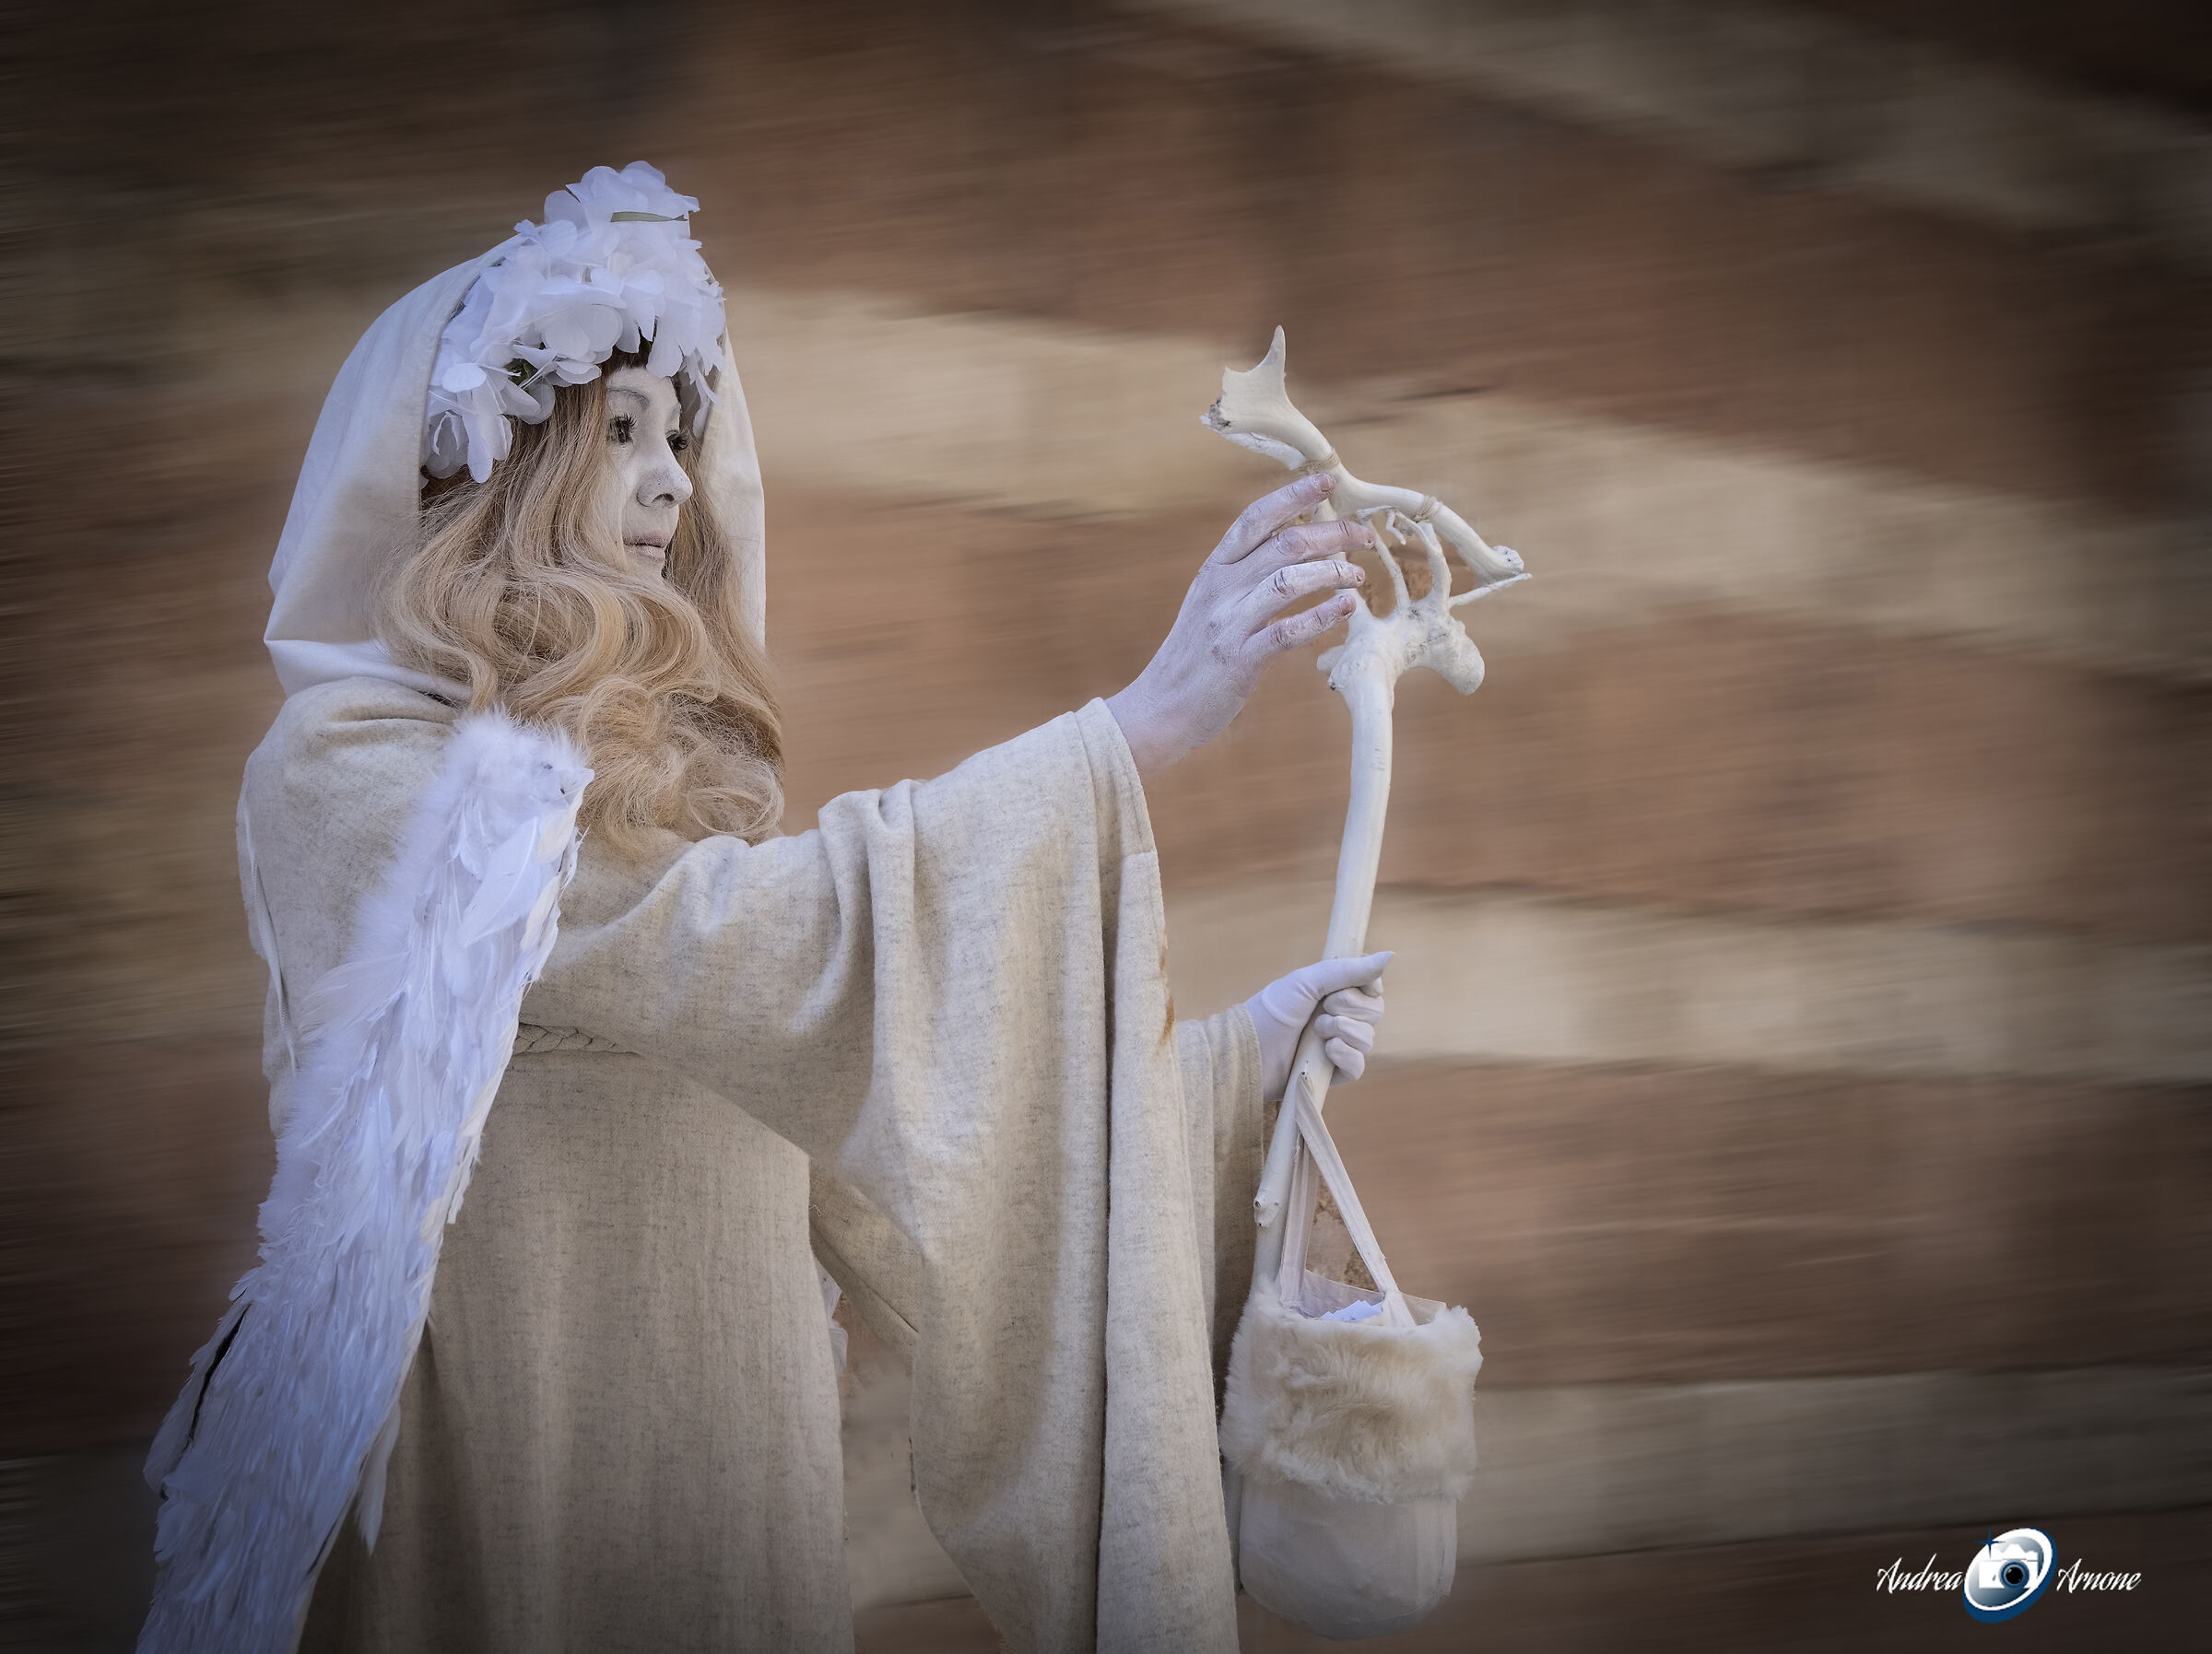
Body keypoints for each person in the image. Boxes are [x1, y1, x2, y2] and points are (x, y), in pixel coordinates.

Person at [139, 163, 1392, 1654]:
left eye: (681, 432)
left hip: (717, 1487)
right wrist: (1136, 732)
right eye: (619, 433)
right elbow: (733, 938)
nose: (674, 475)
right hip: (482, 1478)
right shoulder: (350, 772)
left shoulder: (673, 796)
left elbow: (885, 1124)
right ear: (491, 467)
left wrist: (1233, 1075)